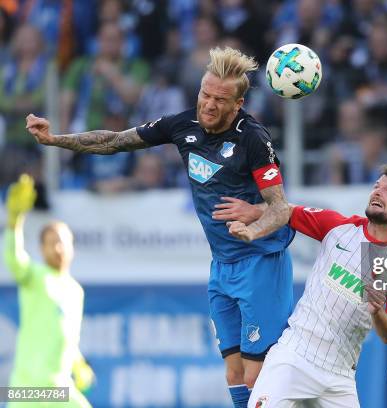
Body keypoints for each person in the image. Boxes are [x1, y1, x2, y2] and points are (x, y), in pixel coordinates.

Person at [25, 46, 294, 408]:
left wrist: (253, 223)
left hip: (261, 260)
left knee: (257, 374)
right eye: (205, 95)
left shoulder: (253, 139)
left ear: (239, 103)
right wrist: (54, 139)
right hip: (222, 266)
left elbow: (281, 208)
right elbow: (115, 141)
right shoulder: (183, 125)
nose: (209, 105)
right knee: (233, 373)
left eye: (220, 100)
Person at [213, 164, 387, 407]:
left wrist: (378, 313)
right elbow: (288, 211)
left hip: (339, 375)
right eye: (377, 186)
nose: (377, 192)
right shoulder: (339, 228)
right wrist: (254, 211)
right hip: (295, 356)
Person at [3, 175, 94, 408]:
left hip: (58, 388)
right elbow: (15, 261)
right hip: (28, 389)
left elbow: (68, 338)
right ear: (41, 249)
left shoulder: (75, 291)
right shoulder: (35, 276)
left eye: (62, 241)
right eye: (51, 242)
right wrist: (15, 222)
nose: (58, 247)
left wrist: (79, 365)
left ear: (72, 246)